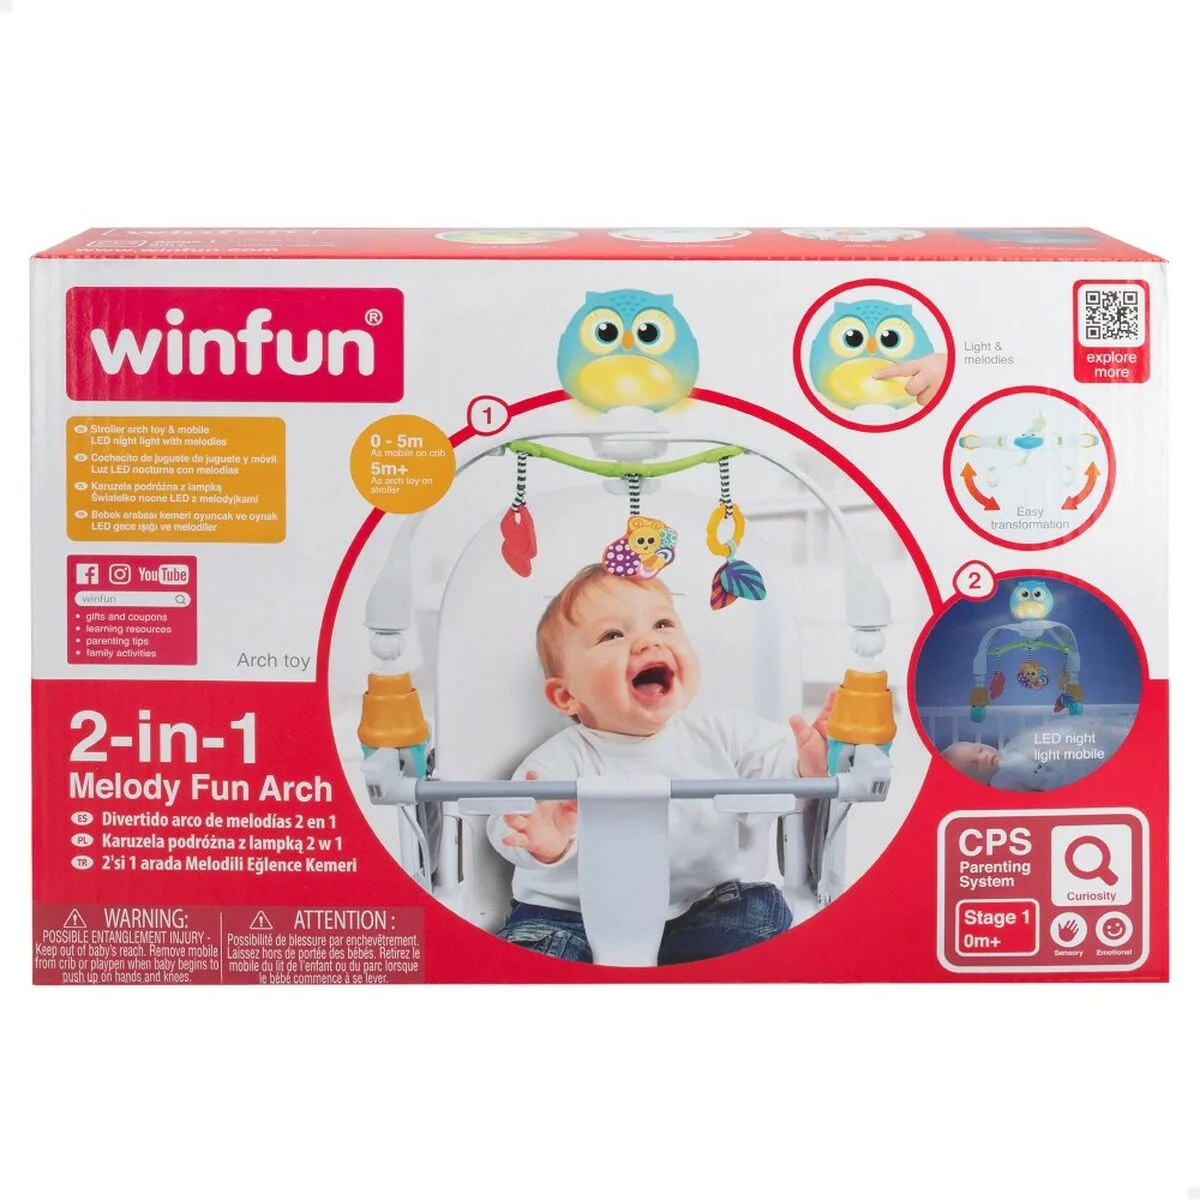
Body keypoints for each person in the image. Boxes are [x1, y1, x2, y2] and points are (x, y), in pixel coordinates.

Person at [487, 562, 833, 964]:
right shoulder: (562, 757)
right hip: (569, 918)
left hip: (698, 909)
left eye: (663, 624)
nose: (648, 642)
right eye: (612, 635)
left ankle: (688, 970)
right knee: (532, 952)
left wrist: (810, 764)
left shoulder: (722, 735)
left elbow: (782, 776)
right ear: (566, 696)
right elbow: (507, 822)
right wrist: (544, 844)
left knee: (759, 909)